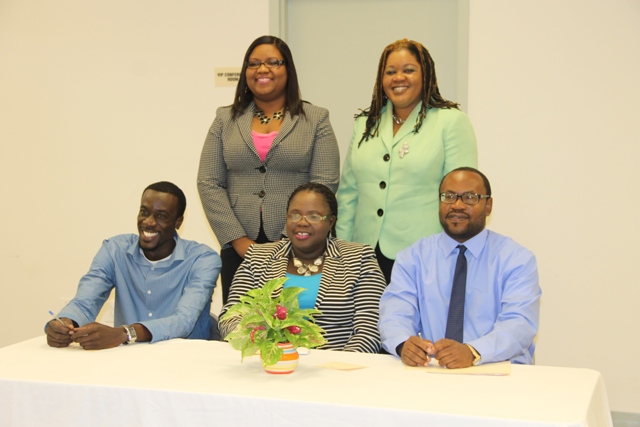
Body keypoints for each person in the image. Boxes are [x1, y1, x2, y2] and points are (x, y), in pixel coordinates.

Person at [197, 35, 340, 304]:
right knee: (242, 326)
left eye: (273, 62)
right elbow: (208, 182)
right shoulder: (224, 119)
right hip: (240, 247)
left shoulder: (316, 119)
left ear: (288, 69)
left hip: (301, 244)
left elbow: (325, 184)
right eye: (254, 64)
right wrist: (238, 240)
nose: (262, 69)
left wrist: (291, 239)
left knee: (297, 322)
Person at [337, 39, 477, 283]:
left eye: (408, 70)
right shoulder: (365, 124)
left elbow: (460, 198)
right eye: (390, 72)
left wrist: (452, 250)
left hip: (425, 256)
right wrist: (342, 251)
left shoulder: (451, 122)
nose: (398, 77)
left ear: (426, 75)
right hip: (364, 256)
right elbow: (349, 194)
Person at [379, 167, 541, 368]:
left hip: (499, 373)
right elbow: (395, 314)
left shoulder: (516, 259)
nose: (457, 205)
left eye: (470, 197)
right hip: (434, 373)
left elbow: (519, 325)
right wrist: (403, 344)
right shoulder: (413, 257)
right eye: (449, 196)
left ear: (488, 206)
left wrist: (473, 352)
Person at [45, 182, 221, 350]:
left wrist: (124, 333)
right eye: (144, 212)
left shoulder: (203, 259)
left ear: (178, 222)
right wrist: (67, 323)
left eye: (161, 216)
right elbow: (86, 300)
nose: (149, 222)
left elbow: (184, 320)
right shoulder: (114, 250)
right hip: (128, 360)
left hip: (185, 360)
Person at [219, 183, 386, 353]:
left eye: (314, 216)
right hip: (267, 362)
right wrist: (263, 349)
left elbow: (370, 330)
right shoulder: (258, 257)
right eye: (295, 215)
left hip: (336, 366)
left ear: (331, 222)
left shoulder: (358, 259)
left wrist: (338, 368)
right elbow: (231, 316)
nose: (302, 222)